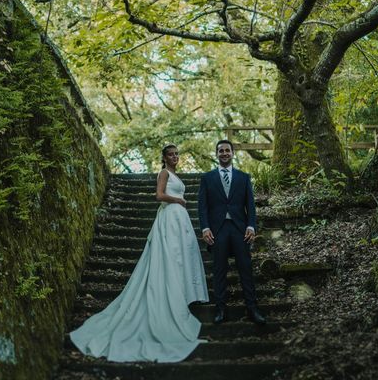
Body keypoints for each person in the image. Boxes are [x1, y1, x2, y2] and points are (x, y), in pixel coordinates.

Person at [70, 144, 209, 362]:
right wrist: (178, 200)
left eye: (177, 154)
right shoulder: (164, 173)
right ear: (164, 157)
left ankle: (181, 296)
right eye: (171, 154)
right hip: (170, 218)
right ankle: (170, 299)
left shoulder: (175, 174)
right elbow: (159, 195)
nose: (175, 157)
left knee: (182, 259)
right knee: (171, 258)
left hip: (180, 220)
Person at [198, 139, 266, 325]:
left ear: (233, 153)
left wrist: (251, 226)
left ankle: (252, 309)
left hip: (240, 229)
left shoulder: (244, 177)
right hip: (217, 230)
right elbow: (202, 207)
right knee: (219, 270)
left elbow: (250, 205)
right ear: (216, 154)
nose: (224, 153)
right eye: (221, 151)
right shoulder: (207, 178)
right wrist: (205, 228)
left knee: (246, 269)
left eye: (227, 150)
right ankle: (220, 310)